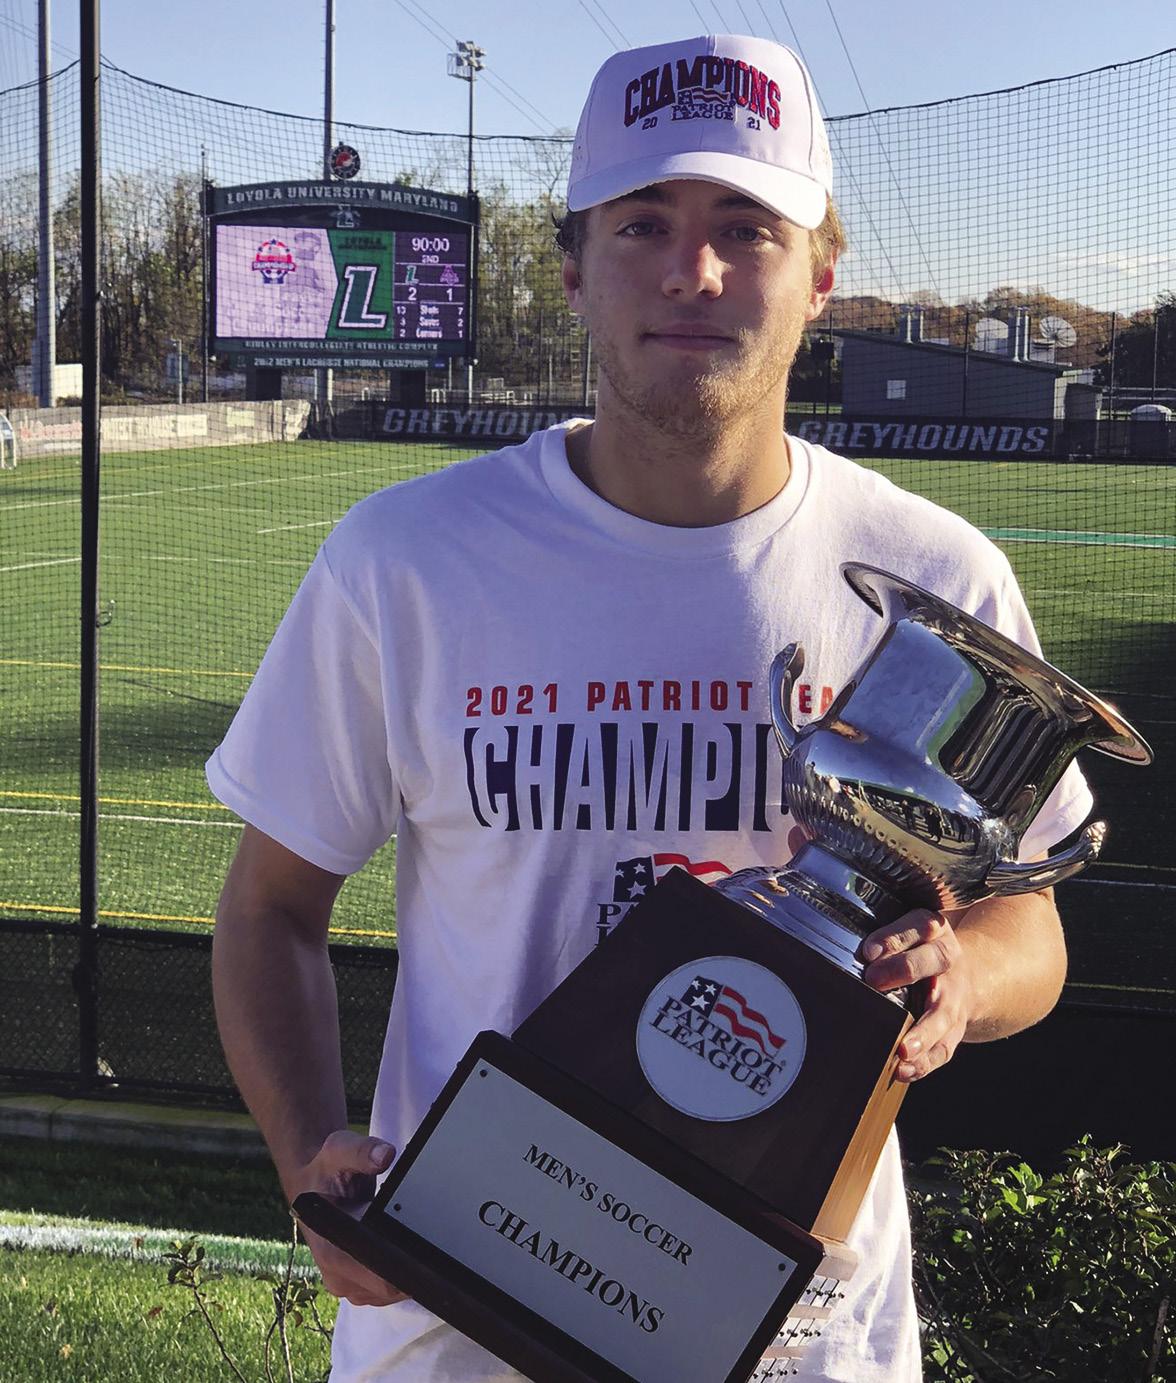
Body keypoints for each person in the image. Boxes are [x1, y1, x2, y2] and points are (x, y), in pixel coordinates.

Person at [208, 33, 1090, 1383]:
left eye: (748, 227)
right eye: (643, 224)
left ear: (821, 279)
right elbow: (270, 910)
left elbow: (1032, 928)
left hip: (798, 1346)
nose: (695, 271)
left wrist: (964, 980)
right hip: (459, 1317)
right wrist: (304, 1155)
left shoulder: (933, 581)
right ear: (572, 268)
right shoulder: (407, 561)